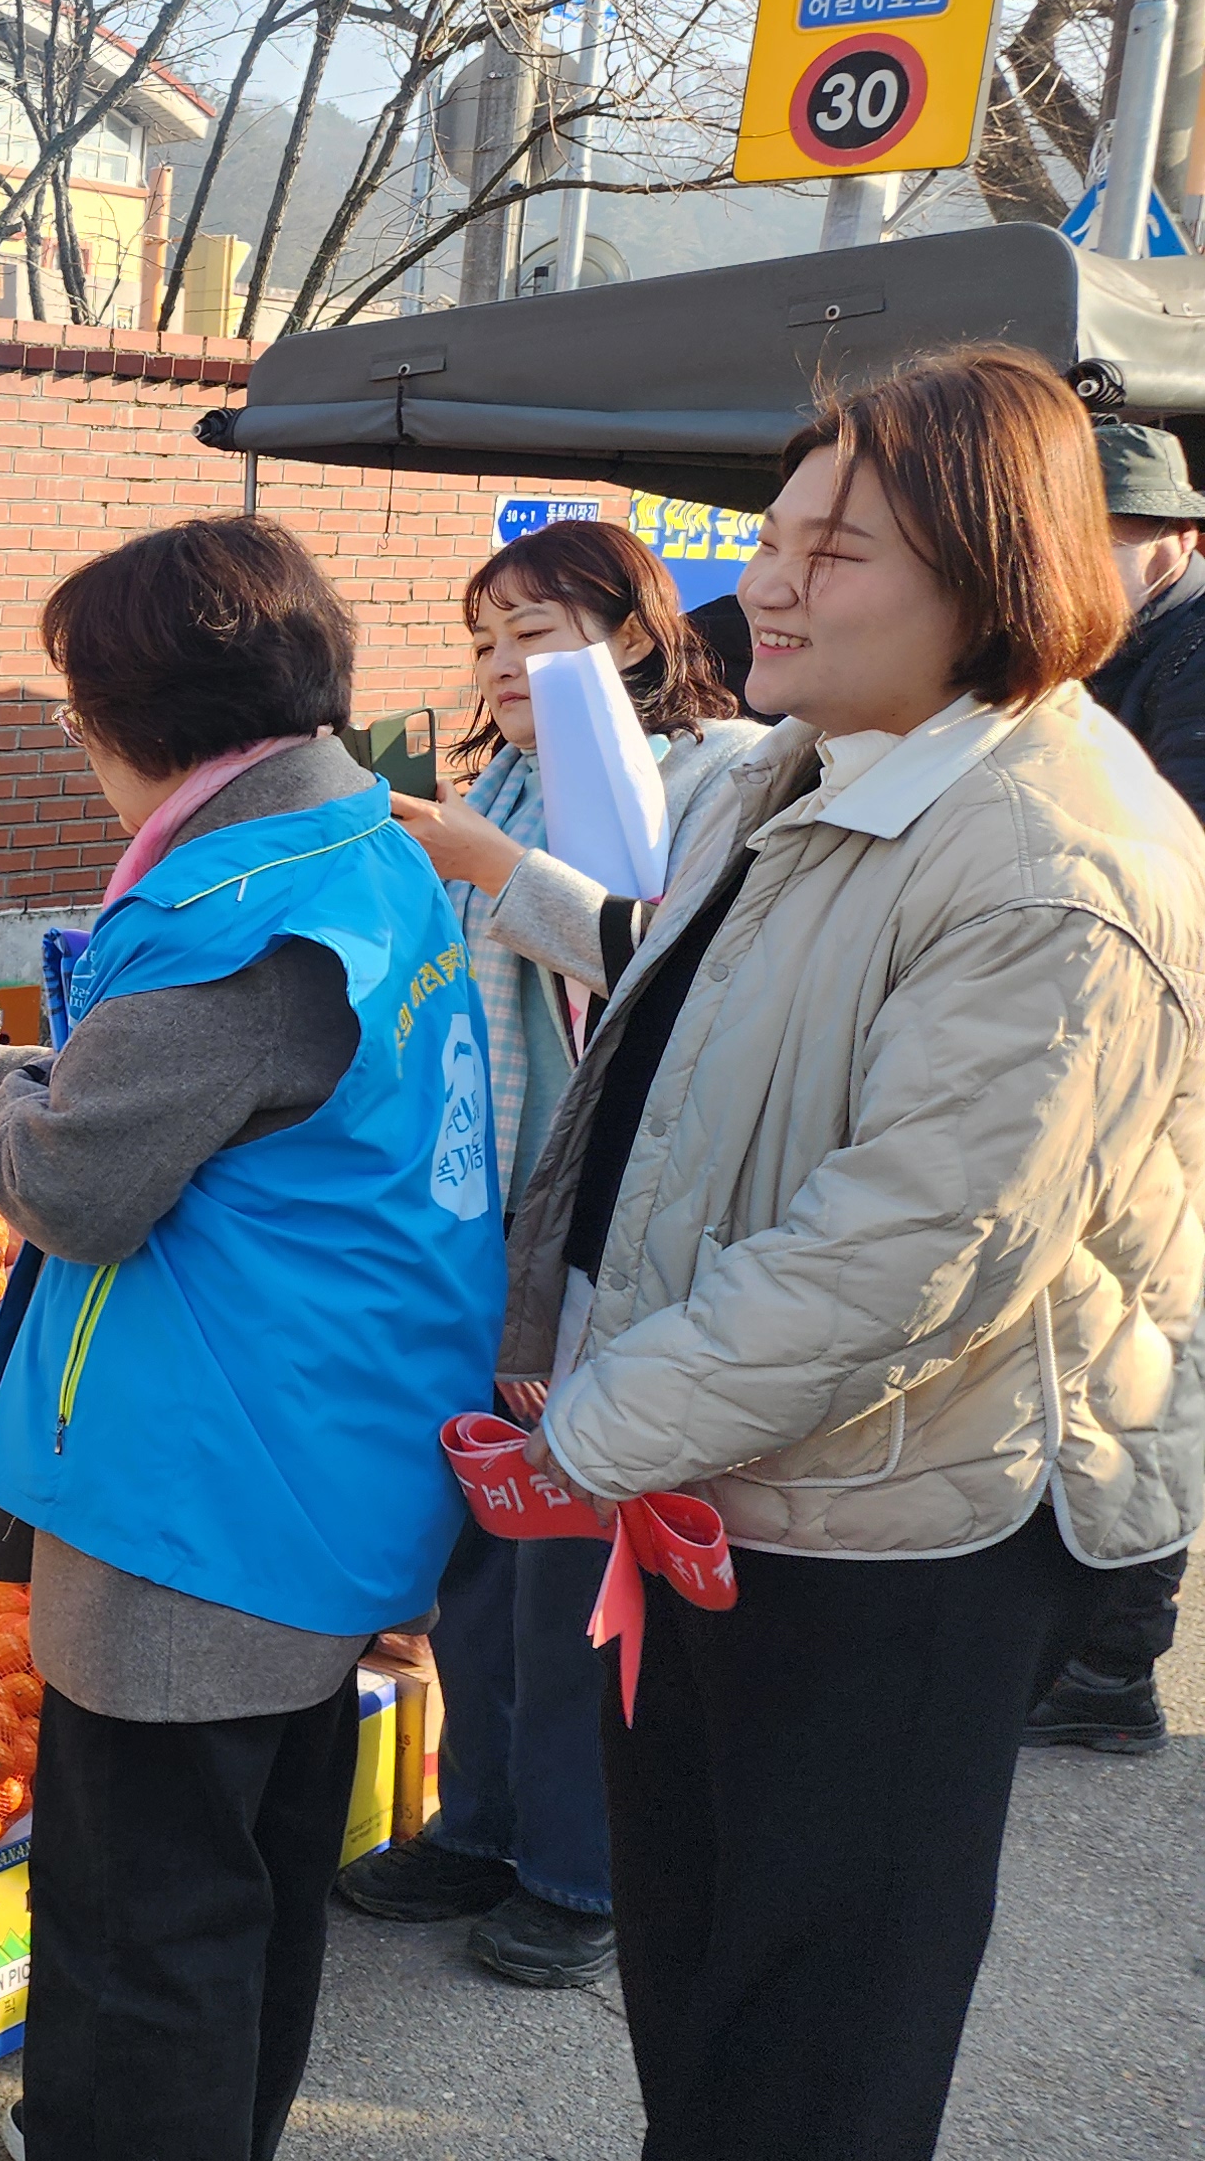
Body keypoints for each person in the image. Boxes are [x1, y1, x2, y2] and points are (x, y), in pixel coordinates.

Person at [507, 346, 1205, 2161]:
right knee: (701, 1972)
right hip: (718, 1474)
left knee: (815, 2033)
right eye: (775, 535)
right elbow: (683, 1059)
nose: (771, 583)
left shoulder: (1058, 858)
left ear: (993, 575)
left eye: (839, 551)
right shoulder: (802, 769)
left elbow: (911, 1251)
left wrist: (597, 1428)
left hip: (901, 1521)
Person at [0, 516, 503, 2161]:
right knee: (250, 1890)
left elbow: (76, 1187)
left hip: (203, 1502)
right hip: (327, 1451)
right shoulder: (362, 844)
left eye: (78, 714)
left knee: (147, 1932)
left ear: (143, 719)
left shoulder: (237, 918)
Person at [336, 519, 758, 1986]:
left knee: (578, 1554)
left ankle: (583, 1873)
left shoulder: (724, 775)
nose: (502, 668)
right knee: (480, 1541)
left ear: (635, 635)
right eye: (485, 641)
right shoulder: (496, 787)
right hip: (479, 1211)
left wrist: (499, 869)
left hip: (609, 1225)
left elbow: (676, 973)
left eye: (536, 634)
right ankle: (478, 1825)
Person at [1033, 420, 1205, 1756]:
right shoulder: (1117, 648)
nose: (1083, 561)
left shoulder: (1188, 656)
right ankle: (1094, 1647)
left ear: (1175, 544)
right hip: (1124, 1039)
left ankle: (1112, 1663)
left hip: (1167, 1053)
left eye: (1114, 540)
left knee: (1146, 1351)